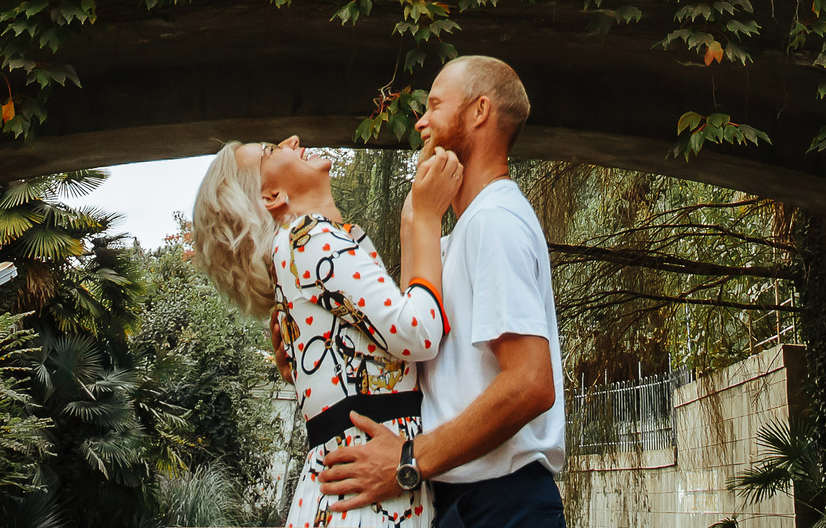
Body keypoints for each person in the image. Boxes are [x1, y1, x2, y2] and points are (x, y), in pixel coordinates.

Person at [320, 55, 567, 526]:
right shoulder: (459, 235)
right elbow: (411, 345)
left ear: (479, 112)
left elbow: (530, 384)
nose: (421, 120)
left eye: (434, 105)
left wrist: (410, 459)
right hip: (459, 500)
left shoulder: (495, 221)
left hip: (503, 505)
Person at [193, 132, 465, 526]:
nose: (292, 140)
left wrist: (412, 221)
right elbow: (419, 333)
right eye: (271, 150)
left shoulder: (303, 251)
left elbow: (391, 356)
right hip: (368, 497)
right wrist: (425, 218)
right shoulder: (309, 240)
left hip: (351, 491)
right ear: (272, 198)